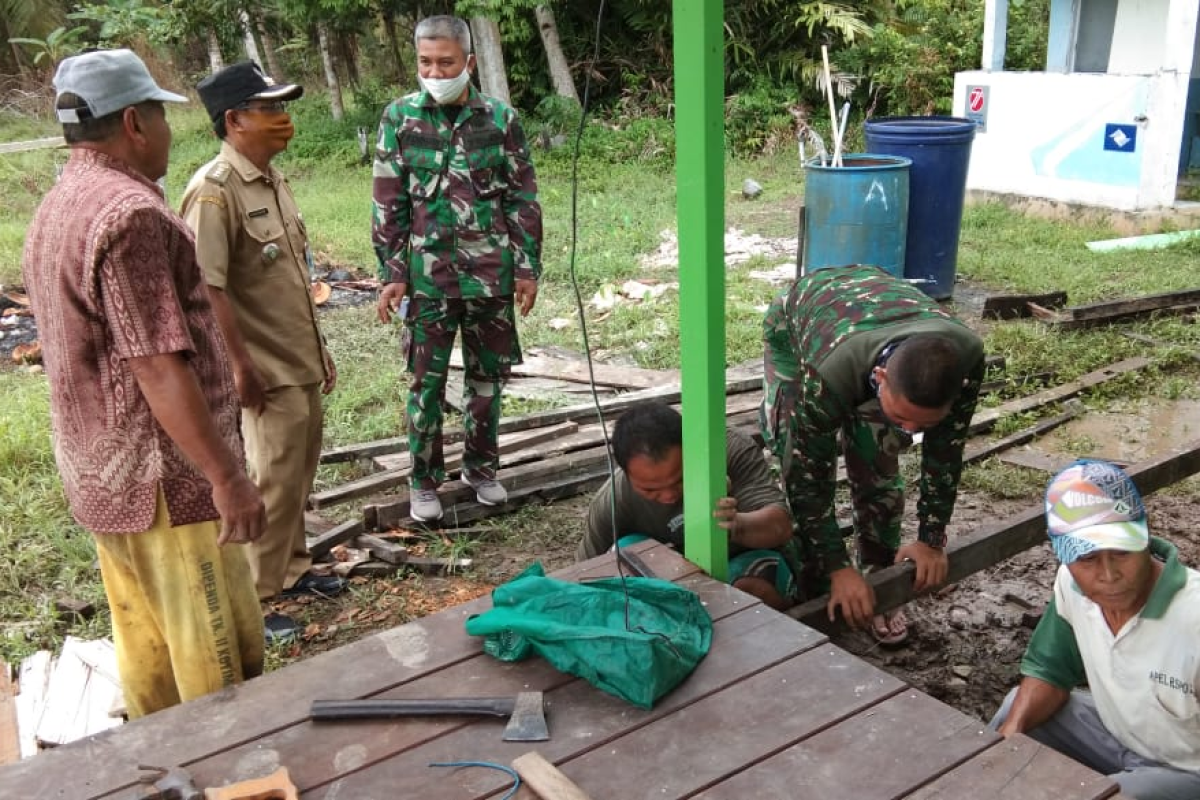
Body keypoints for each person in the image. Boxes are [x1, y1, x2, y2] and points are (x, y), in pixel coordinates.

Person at [22, 49, 266, 717]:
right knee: (216, 667)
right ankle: (235, 778)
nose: (167, 131)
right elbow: (156, 364)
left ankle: (162, 777)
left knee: (149, 655)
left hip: (102, 478)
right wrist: (227, 478)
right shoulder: (131, 216)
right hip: (170, 487)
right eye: (159, 115)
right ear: (133, 121)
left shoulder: (57, 206)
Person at [181, 61, 344, 644]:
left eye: (282, 107)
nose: (282, 119)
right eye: (269, 109)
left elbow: (292, 278)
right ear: (234, 120)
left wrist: (320, 350)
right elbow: (208, 289)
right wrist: (238, 368)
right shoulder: (214, 191)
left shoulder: (271, 180)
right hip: (263, 369)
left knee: (297, 472)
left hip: (296, 356)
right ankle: (259, 594)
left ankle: (293, 570)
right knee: (271, 477)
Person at [372, 14, 542, 523]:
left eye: (446, 62)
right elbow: (388, 201)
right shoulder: (399, 119)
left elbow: (522, 198)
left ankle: (482, 469)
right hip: (427, 281)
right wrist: (393, 271)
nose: (435, 70)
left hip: (490, 275)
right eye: (426, 62)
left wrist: (527, 268)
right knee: (424, 386)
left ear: (468, 61)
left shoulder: (500, 119)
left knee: (487, 382)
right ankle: (424, 481)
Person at [760, 264, 985, 644]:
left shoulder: (967, 358)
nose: (910, 432)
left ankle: (880, 580)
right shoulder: (828, 375)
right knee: (791, 452)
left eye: (923, 425)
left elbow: (946, 453)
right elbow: (805, 481)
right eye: (902, 417)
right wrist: (837, 569)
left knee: (878, 461)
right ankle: (815, 583)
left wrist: (931, 539)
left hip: (876, 317)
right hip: (804, 319)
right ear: (880, 378)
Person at [990, 460, 1200, 800]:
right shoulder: (1071, 586)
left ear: (1144, 537)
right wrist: (1010, 734)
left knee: (1118, 793)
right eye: (1086, 559)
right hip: (1119, 737)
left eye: (1121, 552)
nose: (1108, 575)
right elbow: (1050, 670)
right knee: (1015, 711)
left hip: (1188, 772)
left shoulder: (1194, 618)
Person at [577, 403, 796, 609]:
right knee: (624, 555)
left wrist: (737, 525)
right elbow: (582, 574)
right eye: (650, 490)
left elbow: (781, 527)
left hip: (743, 565)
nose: (669, 495)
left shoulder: (730, 451)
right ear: (626, 474)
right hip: (674, 586)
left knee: (747, 590)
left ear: (692, 448)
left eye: (680, 479)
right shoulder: (614, 500)